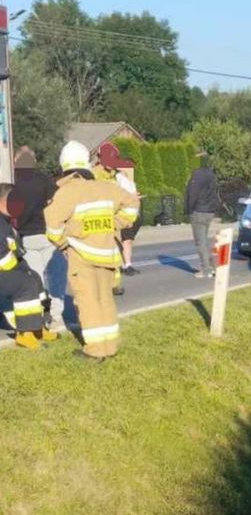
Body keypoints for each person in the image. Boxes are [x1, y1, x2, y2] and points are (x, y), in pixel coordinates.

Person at [44, 140, 140, 361]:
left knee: (88, 302)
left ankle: (96, 350)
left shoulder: (67, 192)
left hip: (81, 255)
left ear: (64, 165)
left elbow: (52, 224)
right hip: (107, 254)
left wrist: (63, 244)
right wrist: (116, 223)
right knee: (105, 299)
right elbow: (132, 203)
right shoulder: (106, 187)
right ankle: (110, 345)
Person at [11, 146, 66, 330]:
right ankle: (57, 317)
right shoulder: (45, 180)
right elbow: (55, 204)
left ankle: (40, 317)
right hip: (47, 235)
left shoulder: (12, 182)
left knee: (36, 280)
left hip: (25, 238)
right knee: (56, 278)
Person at [0, 183, 59, 350]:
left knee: (34, 277)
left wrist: (24, 269)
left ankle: (38, 327)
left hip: (7, 269)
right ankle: (25, 333)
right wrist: (21, 270)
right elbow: (3, 259)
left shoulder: (6, 221)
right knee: (24, 283)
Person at [96, 142, 142, 276]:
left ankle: (115, 279)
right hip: (103, 220)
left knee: (117, 248)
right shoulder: (95, 176)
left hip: (114, 220)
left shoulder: (117, 177)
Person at [185, 151, 221, 278]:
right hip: (209, 211)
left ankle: (206, 270)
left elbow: (193, 194)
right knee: (205, 240)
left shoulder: (197, 174)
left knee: (200, 242)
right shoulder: (211, 174)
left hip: (198, 211)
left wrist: (189, 209)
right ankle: (212, 267)